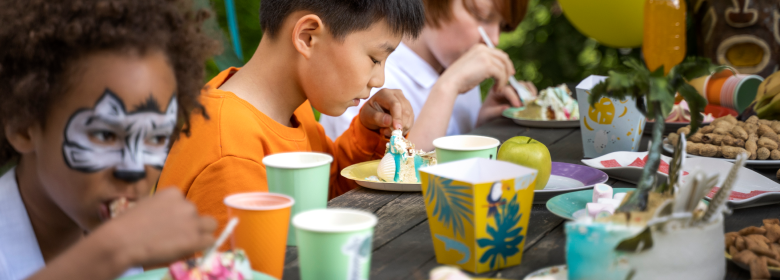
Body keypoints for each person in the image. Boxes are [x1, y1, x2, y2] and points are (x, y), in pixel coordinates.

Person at [156, 0, 424, 243]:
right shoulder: (231, 152)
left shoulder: (289, 109)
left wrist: (369, 133)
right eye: (375, 59)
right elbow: (246, 268)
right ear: (307, 37)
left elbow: (327, 194)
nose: (379, 80)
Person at [0, 1, 220, 279]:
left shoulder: (123, 247)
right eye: (105, 135)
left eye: (156, 137)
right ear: (23, 126)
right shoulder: (117, 246)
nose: (134, 169)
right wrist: (115, 249)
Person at [320, 0, 535, 151]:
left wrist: (481, 123)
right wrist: (447, 88)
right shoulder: (368, 74)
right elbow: (372, 180)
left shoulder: (461, 71)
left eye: (502, 26)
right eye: (483, 16)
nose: (494, 39)